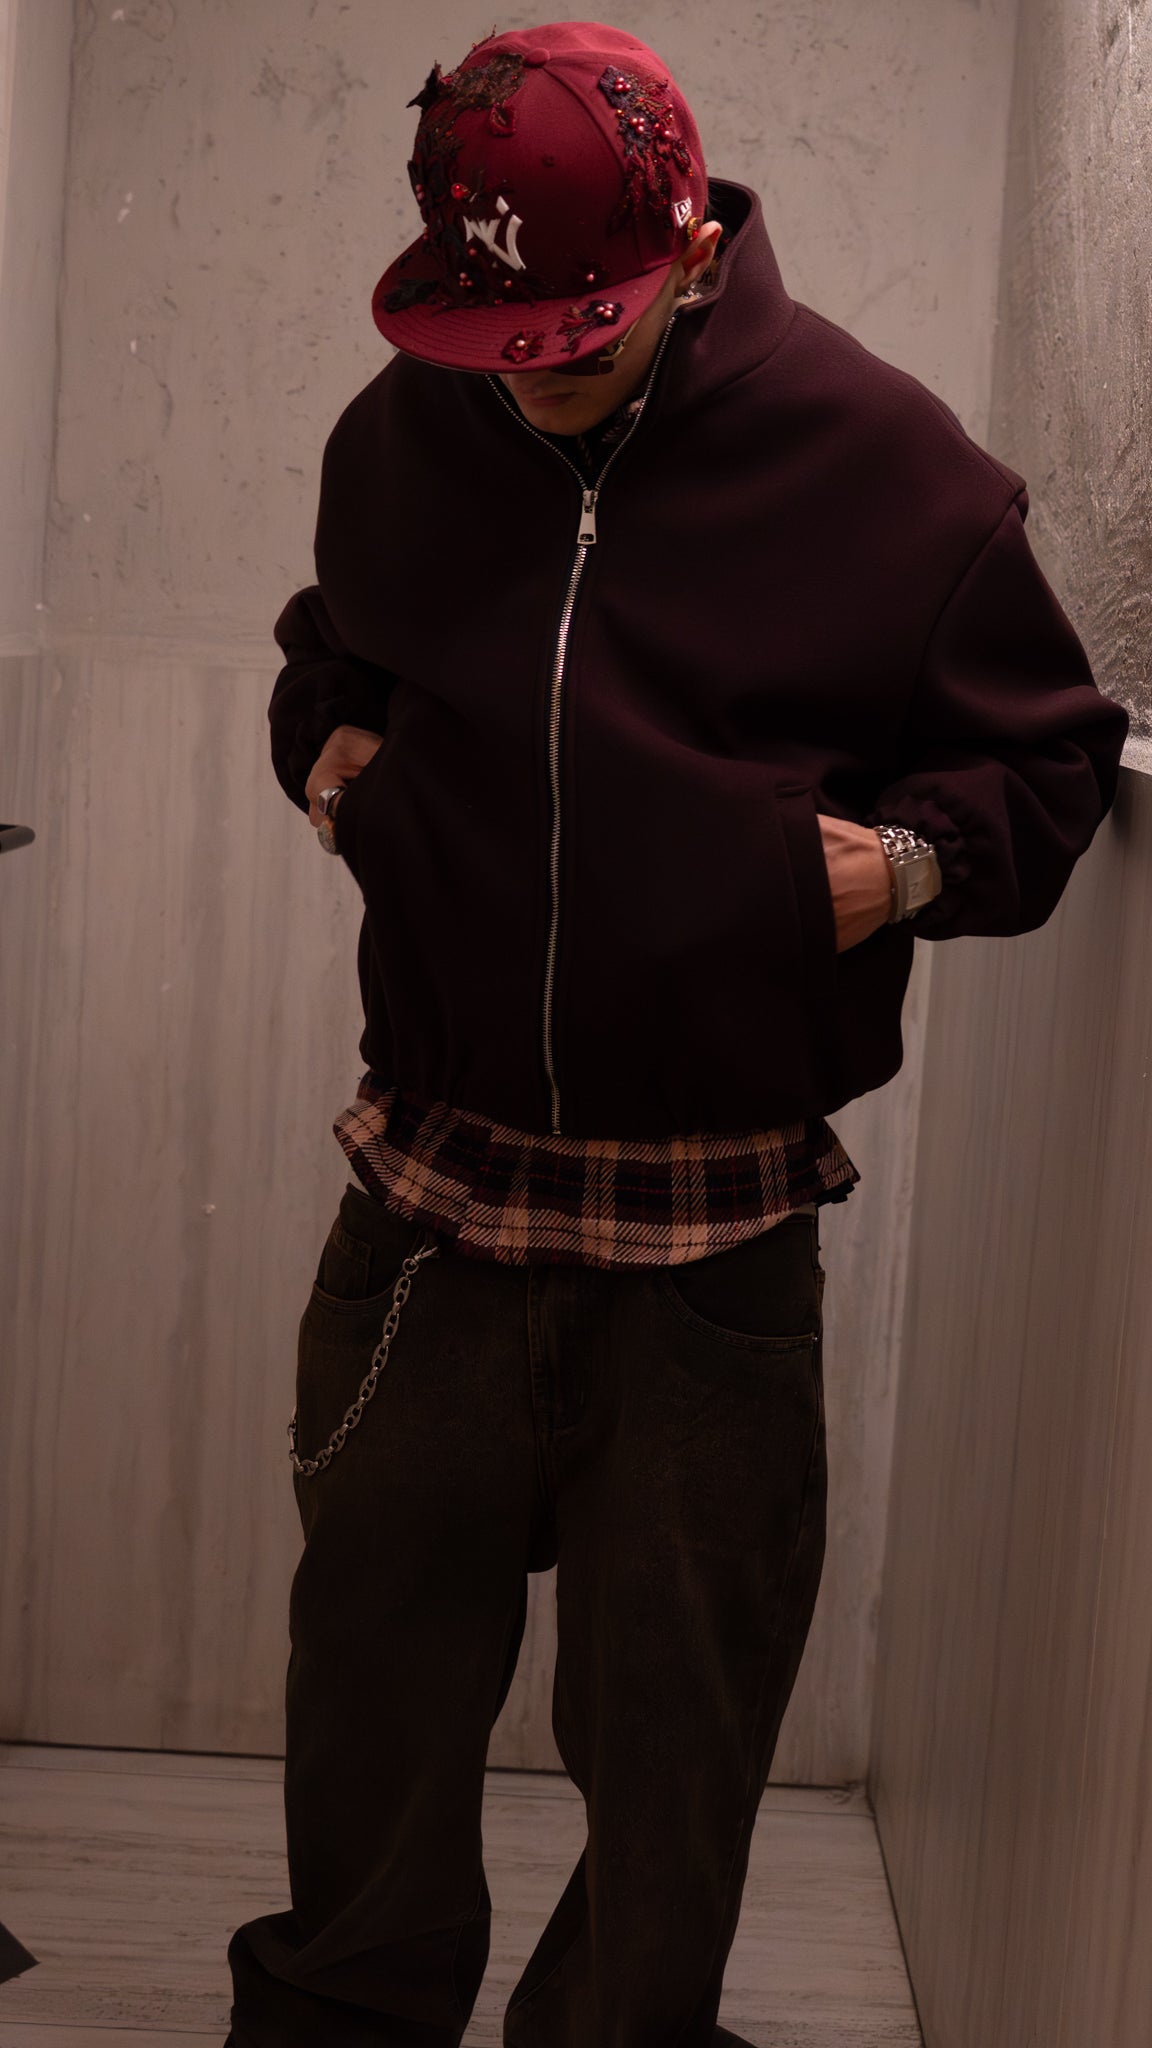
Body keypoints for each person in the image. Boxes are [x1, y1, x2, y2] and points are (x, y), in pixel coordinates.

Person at [224, 20, 1129, 2047]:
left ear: (694, 247)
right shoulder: (406, 430)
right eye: (498, 338)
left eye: (575, 335)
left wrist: (906, 864)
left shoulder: (890, 467)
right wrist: (330, 754)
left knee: (674, 1757)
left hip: (711, 1246)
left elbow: (1051, 762)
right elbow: (332, 654)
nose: (527, 372)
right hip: (430, 1204)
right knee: (367, 1704)